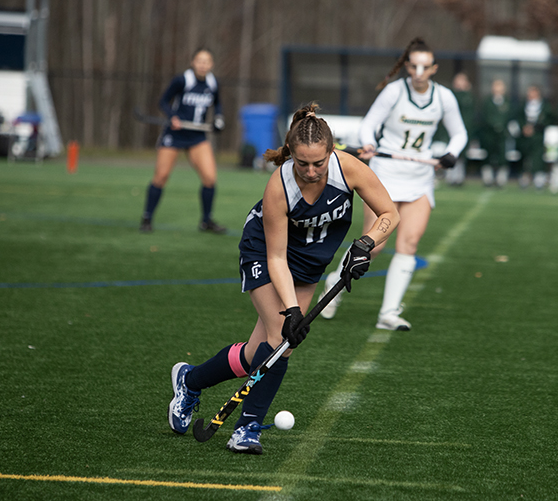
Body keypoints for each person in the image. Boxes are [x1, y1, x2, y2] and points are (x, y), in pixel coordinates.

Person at [167, 104, 399, 454]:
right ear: (291, 154)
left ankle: (191, 380)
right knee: (281, 340)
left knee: (258, 354)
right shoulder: (279, 186)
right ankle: (246, 429)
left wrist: (365, 244)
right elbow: (276, 257)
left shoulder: (348, 167)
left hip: (310, 261)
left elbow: (389, 213)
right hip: (265, 252)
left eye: (318, 163)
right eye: (302, 163)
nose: (310, 171)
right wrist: (291, 310)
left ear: (331, 151)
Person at [319, 37, 467, 331]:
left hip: (420, 178)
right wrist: (370, 143)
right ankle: (331, 289)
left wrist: (451, 154)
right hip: (385, 175)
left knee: (409, 243)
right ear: (408, 66)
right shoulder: (394, 92)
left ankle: (389, 313)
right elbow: (369, 124)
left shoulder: (444, 97)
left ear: (434, 68)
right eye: (414, 65)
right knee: (372, 247)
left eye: (425, 66)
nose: (419, 71)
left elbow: (459, 134)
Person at [140, 48, 227, 234]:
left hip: (197, 136)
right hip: (175, 134)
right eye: (199, 60)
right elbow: (163, 101)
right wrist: (173, 116)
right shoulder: (182, 80)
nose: (203, 64)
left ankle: (206, 221)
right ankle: (147, 217)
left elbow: (218, 104)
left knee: (210, 178)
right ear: (193, 62)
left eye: (207, 61)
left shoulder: (212, 83)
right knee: (161, 177)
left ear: (211, 64)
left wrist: (219, 118)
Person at [436, 72, 476, 186]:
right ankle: (449, 177)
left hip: (462, 130)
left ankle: (459, 178)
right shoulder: (450, 95)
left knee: (461, 156)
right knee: (449, 152)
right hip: (450, 130)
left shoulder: (469, 97)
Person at [477, 79, 513, 187]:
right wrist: (494, 125)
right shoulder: (487, 101)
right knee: (488, 155)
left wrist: (501, 126)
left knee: (502, 156)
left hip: (502, 134)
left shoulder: (507, 102)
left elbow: (510, 117)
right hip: (489, 134)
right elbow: (484, 117)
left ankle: (501, 180)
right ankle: (488, 179)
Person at [516, 85, 553, 191]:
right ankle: (524, 179)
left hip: (538, 136)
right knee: (525, 158)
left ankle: (539, 180)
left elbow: (547, 119)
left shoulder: (545, 106)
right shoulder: (523, 105)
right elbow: (519, 118)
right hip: (525, 137)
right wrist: (524, 127)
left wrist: (535, 128)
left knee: (538, 158)